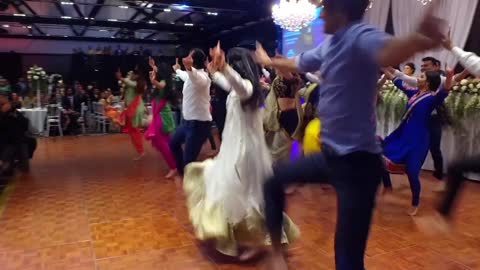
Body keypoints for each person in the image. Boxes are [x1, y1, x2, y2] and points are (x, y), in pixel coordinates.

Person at [254, 0, 447, 269]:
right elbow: (297, 61)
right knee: (273, 182)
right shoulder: (330, 45)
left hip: (358, 166)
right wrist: (266, 60)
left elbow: (388, 51)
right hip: (331, 158)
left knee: (347, 260)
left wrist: (417, 40)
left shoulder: (360, 36)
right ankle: (277, 254)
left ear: (340, 12)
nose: (320, 19)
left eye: (325, 12)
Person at [183, 44, 299, 260]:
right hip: (236, 149)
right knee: (243, 196)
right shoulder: (244, 90)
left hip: (244, 154)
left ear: (238, 66)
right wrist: (213, 71)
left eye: (232, 65)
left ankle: (258, 239)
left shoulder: (248, 89)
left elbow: (236, 83)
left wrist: (224, 67)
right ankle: (249, 238)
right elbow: (229, 83)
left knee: (249, 198)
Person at [416, 35, 480, 233]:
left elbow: (470, 67)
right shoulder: (418, 86)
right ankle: (442, 214)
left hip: (435, 122)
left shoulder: (441, 81)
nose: (423, 71)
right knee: (456, 166)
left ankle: (442, 208)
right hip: (422, 126)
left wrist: (452, 47)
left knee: (447, 158)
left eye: (426, 68)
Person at [382, 68, 453, 216]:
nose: (417, 78)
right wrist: (381, 66)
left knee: (412, 171)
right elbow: (396, 81)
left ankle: (415, 202)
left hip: (419, 139)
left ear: (427, 83)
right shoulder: (413, 94)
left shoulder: (432, 99)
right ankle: (387, 185)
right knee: (381, 153)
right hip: (404, 134)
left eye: (421, 76)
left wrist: (450, 76)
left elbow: (445, 90)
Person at [393, 56, 469, 187]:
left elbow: (455, 80)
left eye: (426, 65)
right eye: (422, 66)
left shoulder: (441, 80)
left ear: (436, 66)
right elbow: (402, 77)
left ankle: (439, 176)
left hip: (433, 120)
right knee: (413, 145)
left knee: (435, 148)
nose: (423, 67)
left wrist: (466, 71)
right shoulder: (420, 81)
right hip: (418, 122)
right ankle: (411, 170)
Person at [168, 49, 212, 179]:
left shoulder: (203, 78)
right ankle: (185, 176)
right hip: (187, 123)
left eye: (189, 56)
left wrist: (188, 69)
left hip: (199, 125)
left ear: (194, 61)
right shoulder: (190, 75)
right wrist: (177, 69)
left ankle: (195, 182)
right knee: (173, 144)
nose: (186, 57)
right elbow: (185, 75)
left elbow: (195, 78)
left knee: (189, 161)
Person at [146, 57, 177, 178]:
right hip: (160, 114)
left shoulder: (164, 81)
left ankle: (173, 167)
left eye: (157, 70)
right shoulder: (163, 77)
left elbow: (161, 85)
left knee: (162, 143)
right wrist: (153, 66)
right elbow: (160, 75)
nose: (155, 71)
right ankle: (176, 164)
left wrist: (153, 81)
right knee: (167, 142)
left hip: (162, 116)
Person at [116, 68, 147, 160]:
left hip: (135, 109)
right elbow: (126, 83)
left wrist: (121, 78)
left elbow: (128, 82)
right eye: (131, 74)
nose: (131, 75)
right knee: (133, 130)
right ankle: (140, 151)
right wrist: (122, 79)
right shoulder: (131, 84)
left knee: (135, 130)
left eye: (133, 74)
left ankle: (141, 151)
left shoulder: (136, 84)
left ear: (137, 76)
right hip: (132, 109)